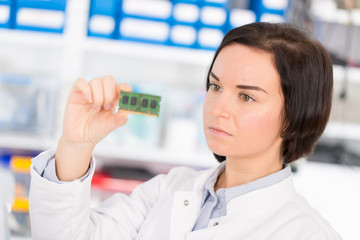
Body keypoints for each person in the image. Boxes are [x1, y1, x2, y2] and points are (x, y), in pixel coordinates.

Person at [29, 22, 342, 240]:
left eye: (246, 96)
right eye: (215, 86)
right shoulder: (169, 189)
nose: (217, 108)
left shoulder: (308, 234)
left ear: (293, 118)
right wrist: (75, 144)